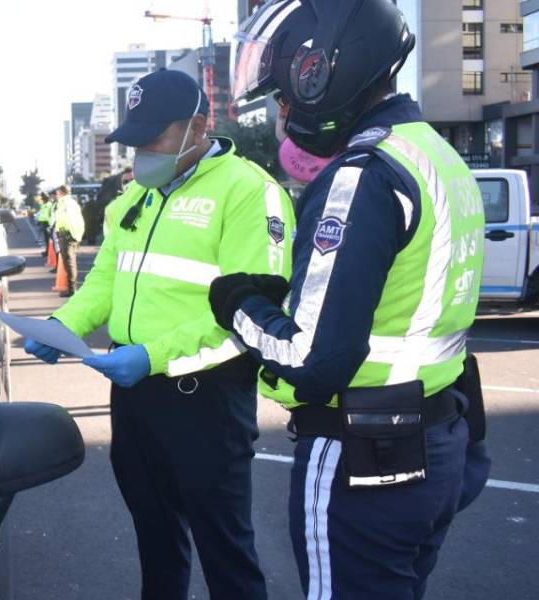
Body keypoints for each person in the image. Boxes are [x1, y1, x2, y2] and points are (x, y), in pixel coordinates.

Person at [211, 1, 491, 597]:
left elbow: (314, 361)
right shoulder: (433, 154)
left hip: (362, 451)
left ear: (324, 74)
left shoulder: (360, 176)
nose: (284, 114)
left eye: (285, 96)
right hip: (437, 441)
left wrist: (237, 304)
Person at [25, 68, 295, 600]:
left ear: (198, 126)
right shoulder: (134, 199)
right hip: (134, 393)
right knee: (155, 535)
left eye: (155, 138)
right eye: (134, 140)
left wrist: (154, 356)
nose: (141, 151)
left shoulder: (247, 192)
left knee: (225, 549)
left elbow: (252, 315)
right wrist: (64, 326)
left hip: (205, 397)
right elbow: (104, 279)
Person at [50, 184, 84, 297]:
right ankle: (71, 288)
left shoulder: (65, 204)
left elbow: (72, 220)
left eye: (57, 193)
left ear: (61, 193)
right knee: (69, 262)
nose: (56, 195)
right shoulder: (70, 203)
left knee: (69, 263)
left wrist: (73, 235)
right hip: (68, 235)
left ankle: (72, 289)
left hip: (67, 235)